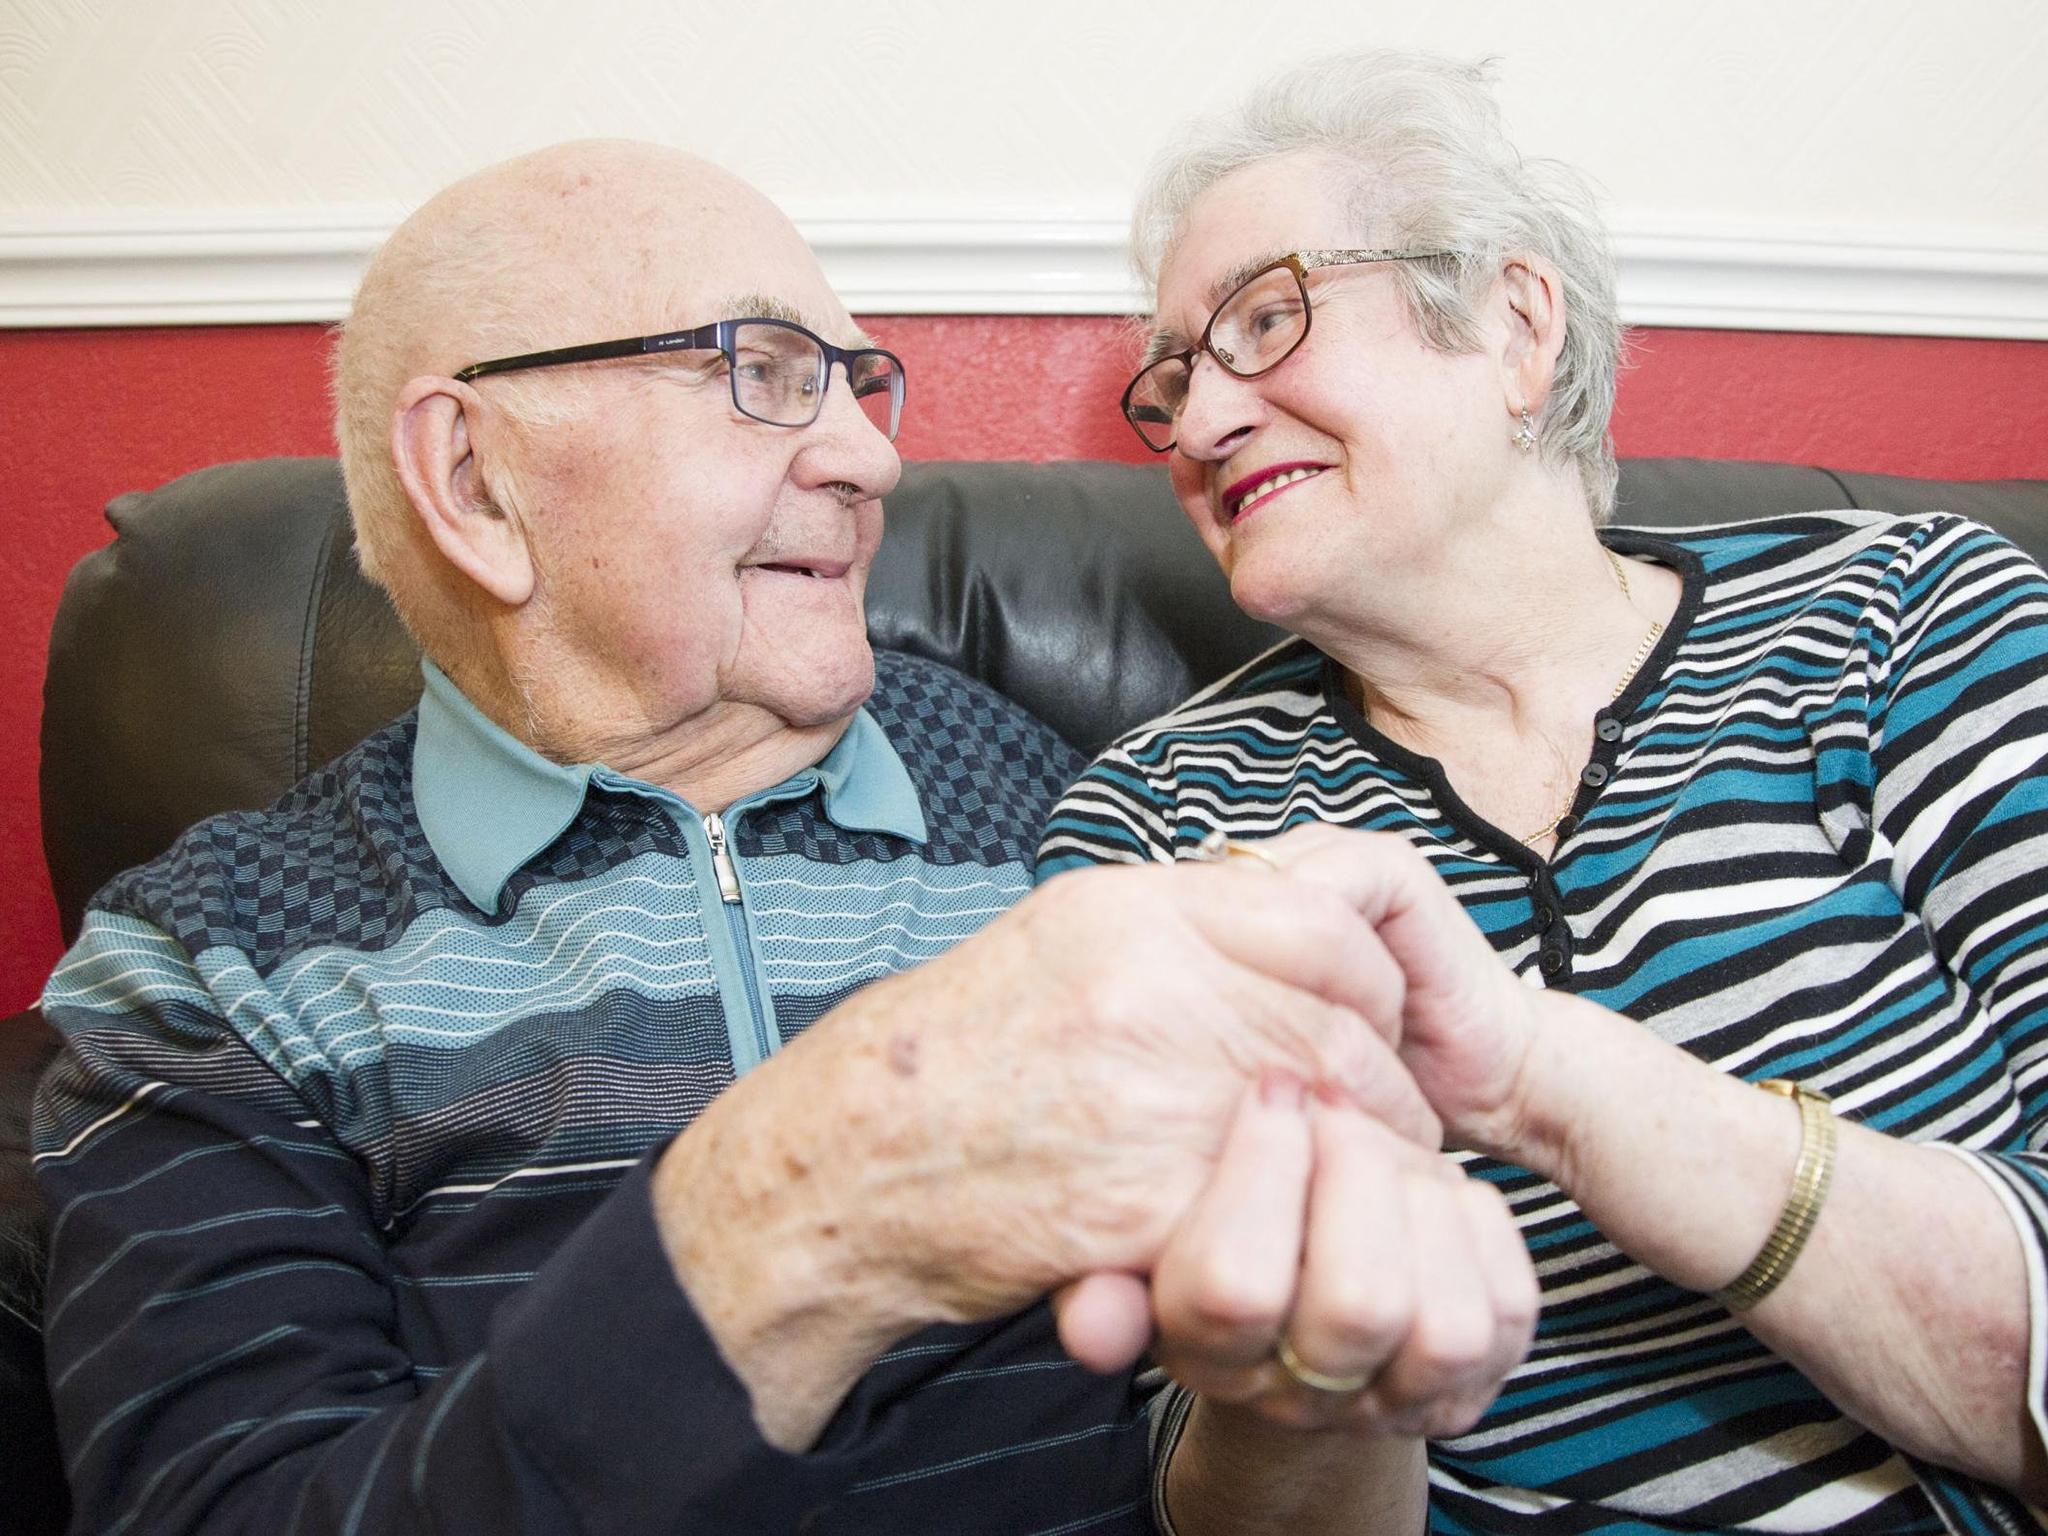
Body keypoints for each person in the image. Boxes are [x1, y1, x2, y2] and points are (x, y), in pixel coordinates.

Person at [32, 139, 1533, 1534]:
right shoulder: (205, 967)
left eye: (856, 385)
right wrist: (802, 1204)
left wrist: (1324, 1403)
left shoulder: (1088, 819)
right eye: (761, 371)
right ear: (478, 483)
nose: (872, 463)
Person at [1041, 49, 2048, 1536]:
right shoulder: (1158, 830)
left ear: (1514, 326)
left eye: (1268, 319)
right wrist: (1321, 1380)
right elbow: (1209, 1499)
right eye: (1177, 379)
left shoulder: (1908, 618)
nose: (1197, 428)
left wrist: (1544, 1083)